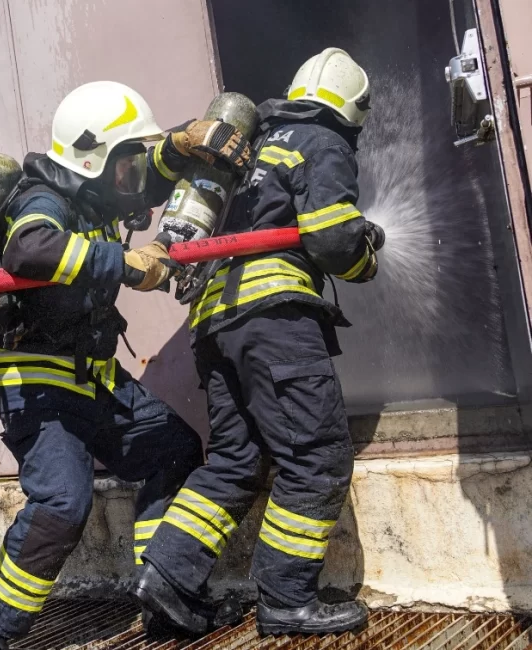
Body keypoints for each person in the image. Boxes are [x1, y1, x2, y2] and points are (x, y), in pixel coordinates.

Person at [0, 81, 252, 649]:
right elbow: (30, 251)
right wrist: (124, 263)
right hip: (38, 378)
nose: (134, 175)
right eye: (125, 160)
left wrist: (180, 144)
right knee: (62, 503)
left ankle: (162, 591)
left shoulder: (96, 194)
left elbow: (147, 176)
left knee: (171, 449)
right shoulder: (42, 199)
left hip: (91, 376)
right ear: (93, 160)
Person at [133, 48, 385, 637]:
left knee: (234, 460)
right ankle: (287, 599)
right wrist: (365, 257)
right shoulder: (323, 141)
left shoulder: (251, 142)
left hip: (214, 322)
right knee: (316, 457)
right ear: (351, 110)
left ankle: (165, 578)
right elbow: (330, 241)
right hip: (276, 322)